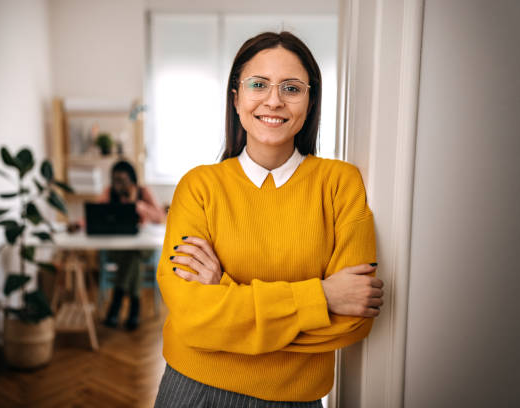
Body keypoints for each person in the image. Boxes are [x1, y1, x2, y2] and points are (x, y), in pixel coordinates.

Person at [153, 31, 384, 407]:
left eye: (291, 88)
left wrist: (224, 296)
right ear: (237, 97)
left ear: (310, 102)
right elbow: (191, 317)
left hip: (296, 398)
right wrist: (321, 297)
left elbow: (354, 318)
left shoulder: (340, 184)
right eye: (258, 84)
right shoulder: (199, 187)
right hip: (193, 390)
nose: (273, 101)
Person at [101, 160, 166, 330]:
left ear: (132, 180)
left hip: (143, 248)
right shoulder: (109, 193)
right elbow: (96, 214)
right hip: (118, 249)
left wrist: (137, 206)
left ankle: (116, 304)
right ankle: (134, 309)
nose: (118, 185)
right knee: (133, 257)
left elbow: (159, 216)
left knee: (134, 253)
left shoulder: (143, 193)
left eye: (122, 180)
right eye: (115, 180)